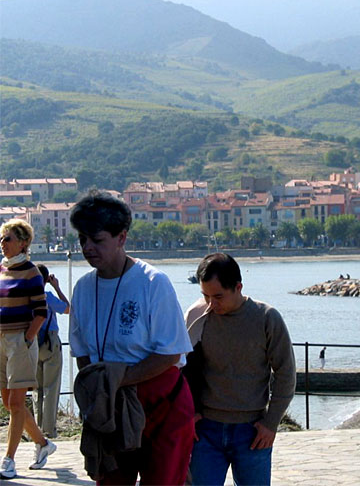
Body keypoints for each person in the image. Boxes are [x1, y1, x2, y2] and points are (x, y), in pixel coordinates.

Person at [65, 194, 197, 485]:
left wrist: (117, 380)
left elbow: (170, 354)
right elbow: (83, 353)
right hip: (111, 408)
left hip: (163, 406)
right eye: (82, 240)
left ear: (121, 237)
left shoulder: (153, 282)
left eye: (97, 240)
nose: (87, 248)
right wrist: (101, 389)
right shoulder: (83, 289)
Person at [183, 254, 291, 485]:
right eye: (205, 295)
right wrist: (189, 413)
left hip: (252, 432)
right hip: (205, 431)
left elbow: (285, 373)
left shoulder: (266, 318)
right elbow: (180, 369)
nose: (211, 304)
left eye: (218, 296)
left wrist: (271, 423)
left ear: (238, 287)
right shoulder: (196, 316)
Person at [0, 220, 59, 477]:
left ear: (23, 242)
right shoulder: (2, 270)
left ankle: (9, 460)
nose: (3, 244)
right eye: (2, 239)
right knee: (8, 402)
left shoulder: (32, 272)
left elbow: (41, 311)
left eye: (8, 238)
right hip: (1, 341)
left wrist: (27, 339)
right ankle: (43, 444)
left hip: (19, 342)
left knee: (15, 402)